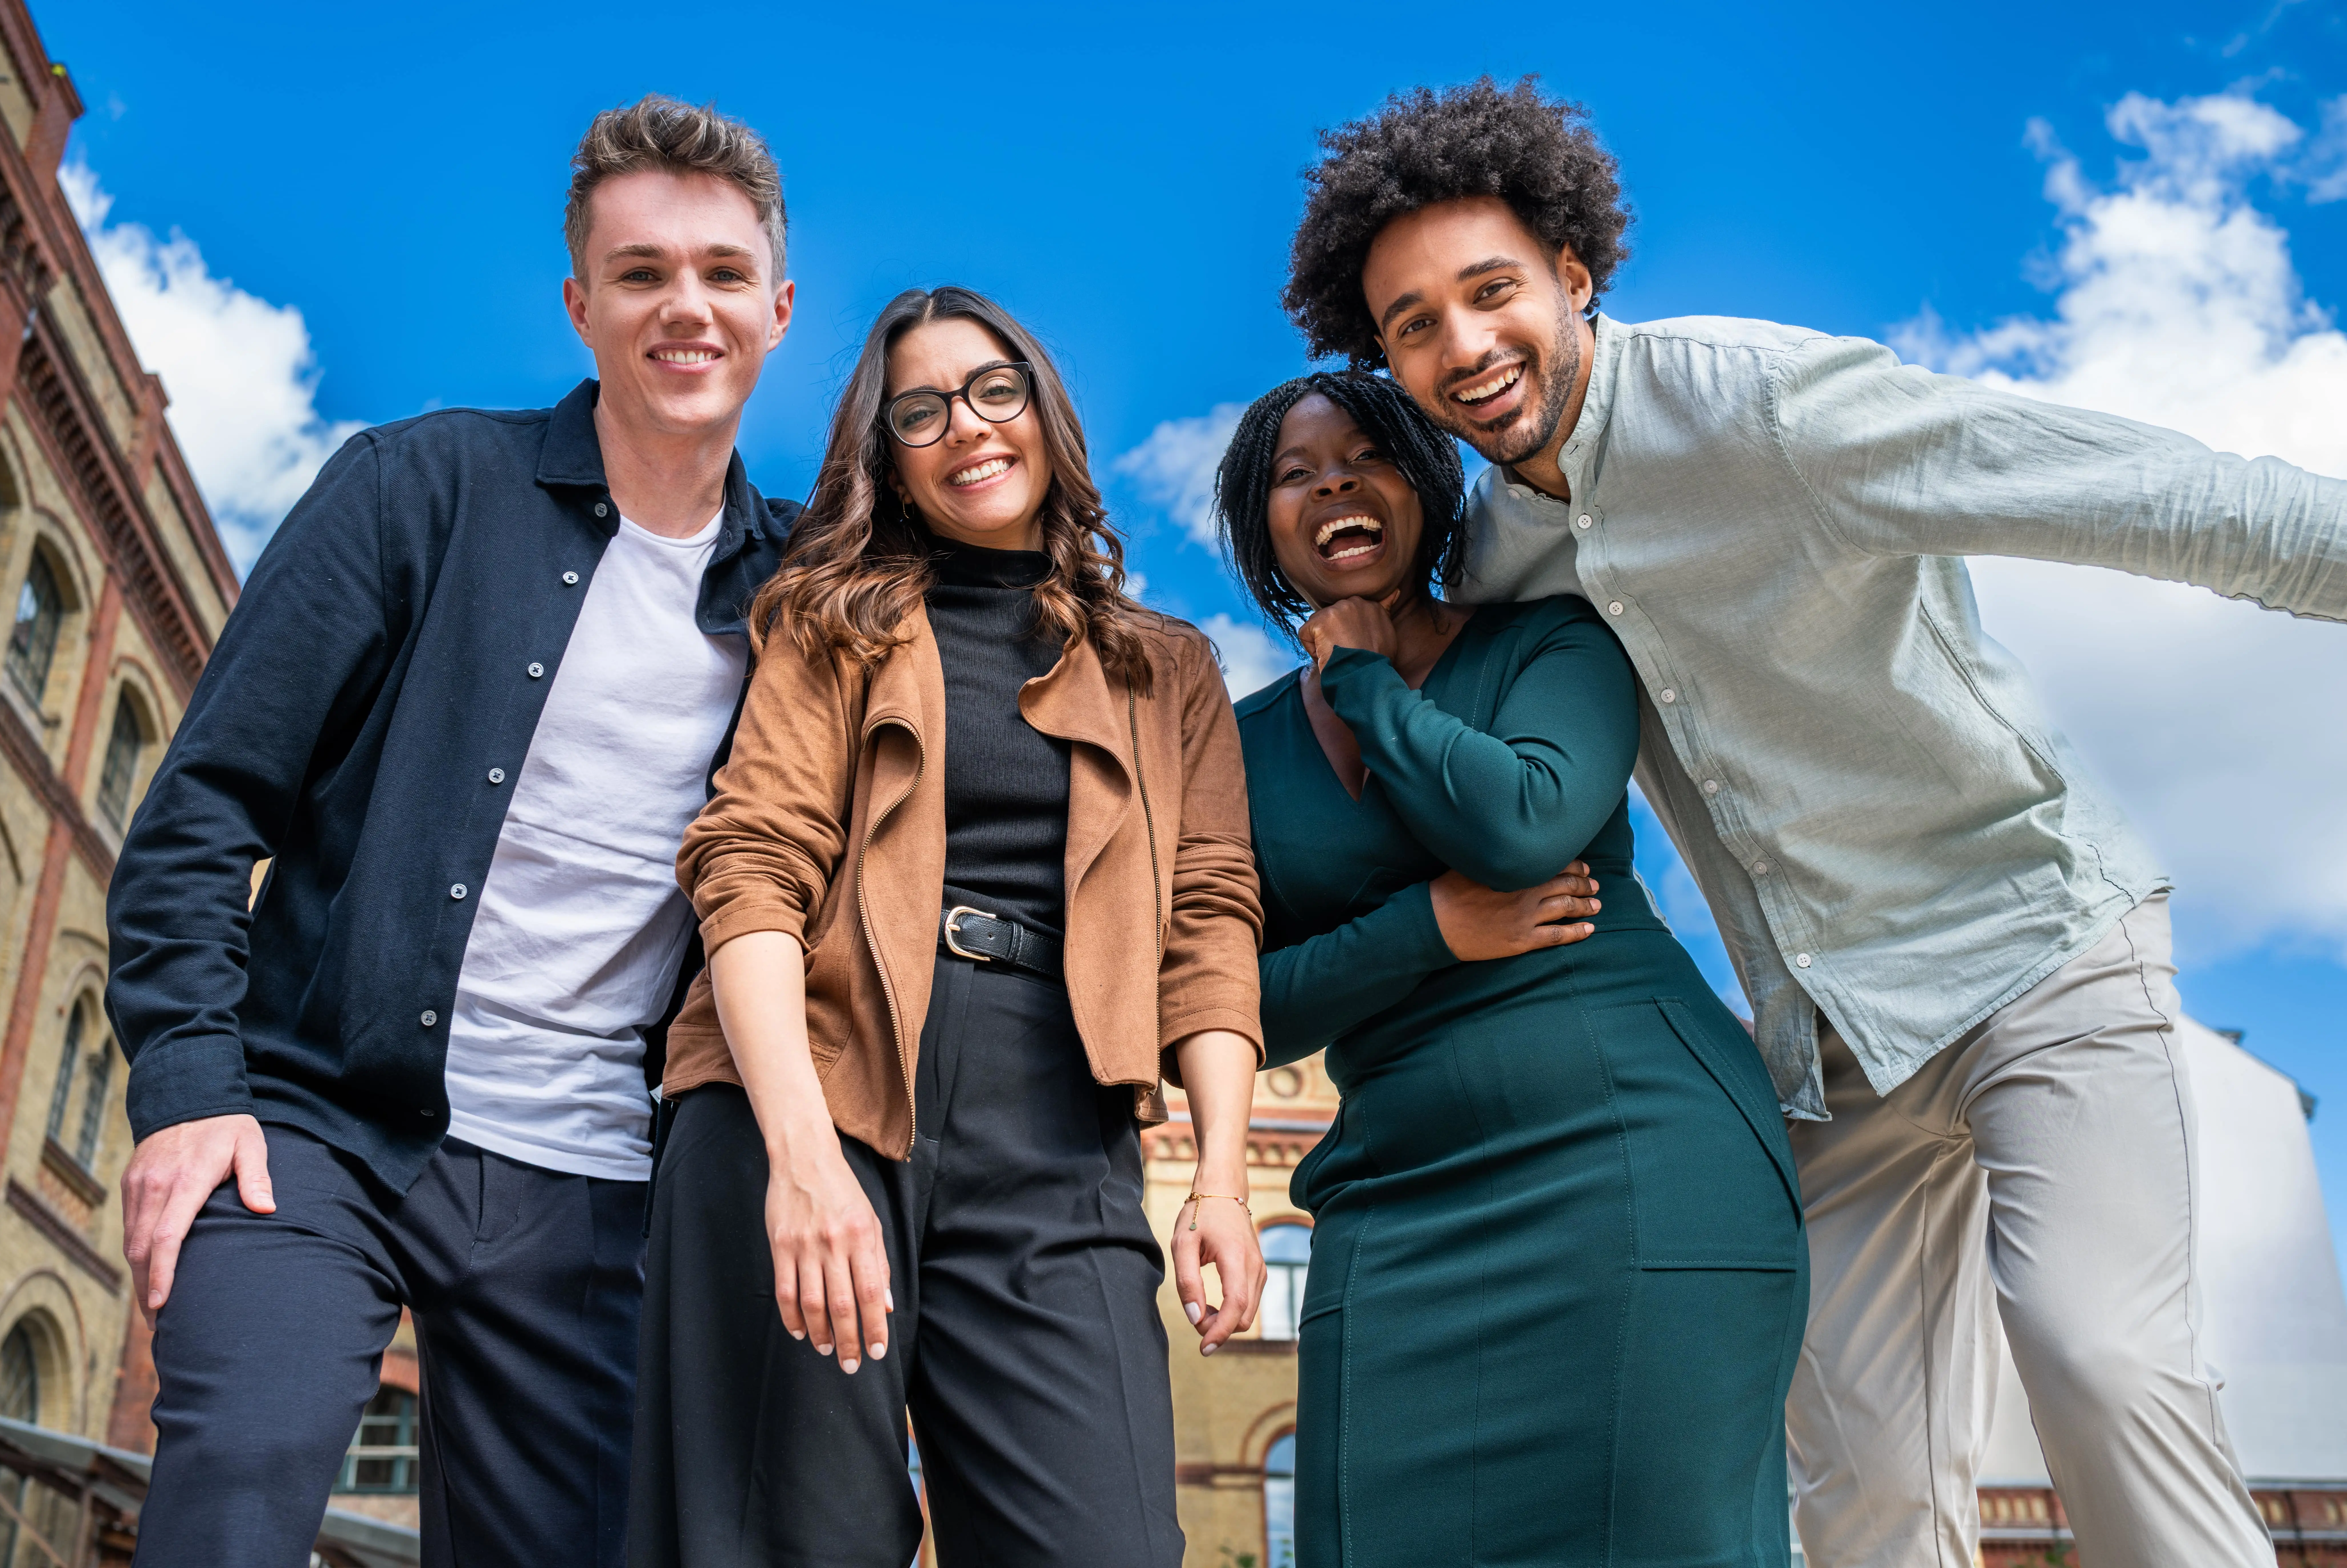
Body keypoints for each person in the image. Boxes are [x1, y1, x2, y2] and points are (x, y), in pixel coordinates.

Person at [1278, 75, 2347, 1568]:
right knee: (1858, 1488)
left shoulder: (1767, 405)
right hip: (1831, 1043)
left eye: (1491, 291)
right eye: (1414, 324)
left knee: (2100, 1358)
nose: (1463, 346)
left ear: (1573, 273)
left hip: (2032, 944)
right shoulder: (1503, 558)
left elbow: (2150, 495)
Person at [103, 97, 797, 1568]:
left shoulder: (805, 593)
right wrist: (188, 1087)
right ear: (581, 304)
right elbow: (204, 807)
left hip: (603, 1184)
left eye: (723, 274)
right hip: (319, 1125)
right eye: (642, 272)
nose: (686, 307)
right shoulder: (416, 487)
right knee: (240, 1478)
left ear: (778, 309)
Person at [628, 284, 1265, 1568]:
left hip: (1061, 1119)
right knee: (794, 1539)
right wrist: (800, 1156)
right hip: (814, 1081)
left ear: (1043, 412)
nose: (966, 426)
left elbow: (1209, 919)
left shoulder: (1168, 670)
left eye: (993, 390)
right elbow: (750, 863)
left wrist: (1221, 1178)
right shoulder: (826, 622)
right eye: (920, 411)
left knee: (1106, 1543)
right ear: (890, 458)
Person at [1216, 368, 1807, 1566]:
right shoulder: (1235, 749)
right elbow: (1229, 1005)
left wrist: (1363, 678)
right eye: (1294, 474)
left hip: (1638, 1165)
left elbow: (1525, 825)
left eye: (1367, 457)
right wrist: (1428, 930)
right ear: (1262, 526)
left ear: (1426, 487)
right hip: (1396, 1206)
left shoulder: (1556, 640)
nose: (1332, 484)